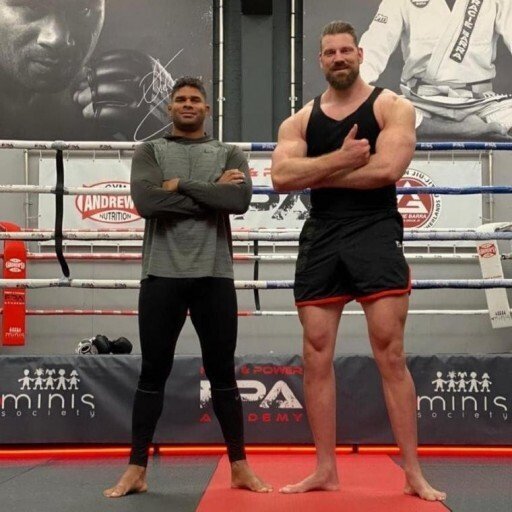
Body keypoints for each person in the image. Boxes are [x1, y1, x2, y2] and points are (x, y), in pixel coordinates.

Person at [271, 21, 446, 501]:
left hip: (375, 231)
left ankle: (413, 472)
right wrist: (342, 159)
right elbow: (281, 178)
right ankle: (325, 469)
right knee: (315, 353)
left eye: (346, 50)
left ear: (361, 54)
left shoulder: (392, 106)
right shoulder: (299, 121)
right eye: (330, 52)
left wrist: (316, 173)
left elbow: (387, 170)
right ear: (320, 61)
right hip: (323, 235)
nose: (339, 58)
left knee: (390, 353)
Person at [104, 76, 272, 498]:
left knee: (223, 373)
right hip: (161, 275)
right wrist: (212, 192)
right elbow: (147, 203)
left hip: (214, 275)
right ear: (170, 108)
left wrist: (179, 185)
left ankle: (240, 467)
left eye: (195, 99)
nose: (188, 104)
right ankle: (136, 469)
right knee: (152, 372)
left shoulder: (229, 152)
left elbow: (237, 202)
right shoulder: (151, 151)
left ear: (207, 109)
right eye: (180, 99)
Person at [0, 0, 173, 140]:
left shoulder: (121, 97)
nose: (57, 38)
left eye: (83, 10)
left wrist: (173, 127)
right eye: (33, 6)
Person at [359, 0, 512, 140]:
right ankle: (465, 129)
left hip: (479, 103)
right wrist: (354, 89)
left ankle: (439, 127)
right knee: (378, 113)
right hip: (421, 101)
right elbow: (374, 46)